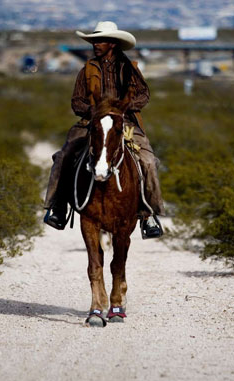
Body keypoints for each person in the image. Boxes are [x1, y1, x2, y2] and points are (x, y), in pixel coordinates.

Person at [44, 21, 165, 238]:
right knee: (63, 156)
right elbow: (76, 102)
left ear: (113, 44)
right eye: (94, 41)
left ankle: (148, 215)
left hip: (125, 123)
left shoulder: (129, 68)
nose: (95, 44)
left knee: (147, 161)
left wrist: (124, 108)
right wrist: (94, 111)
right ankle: (58, 208)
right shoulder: (86, 70)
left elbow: (144, 95)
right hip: (92, 122)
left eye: (100, 40)